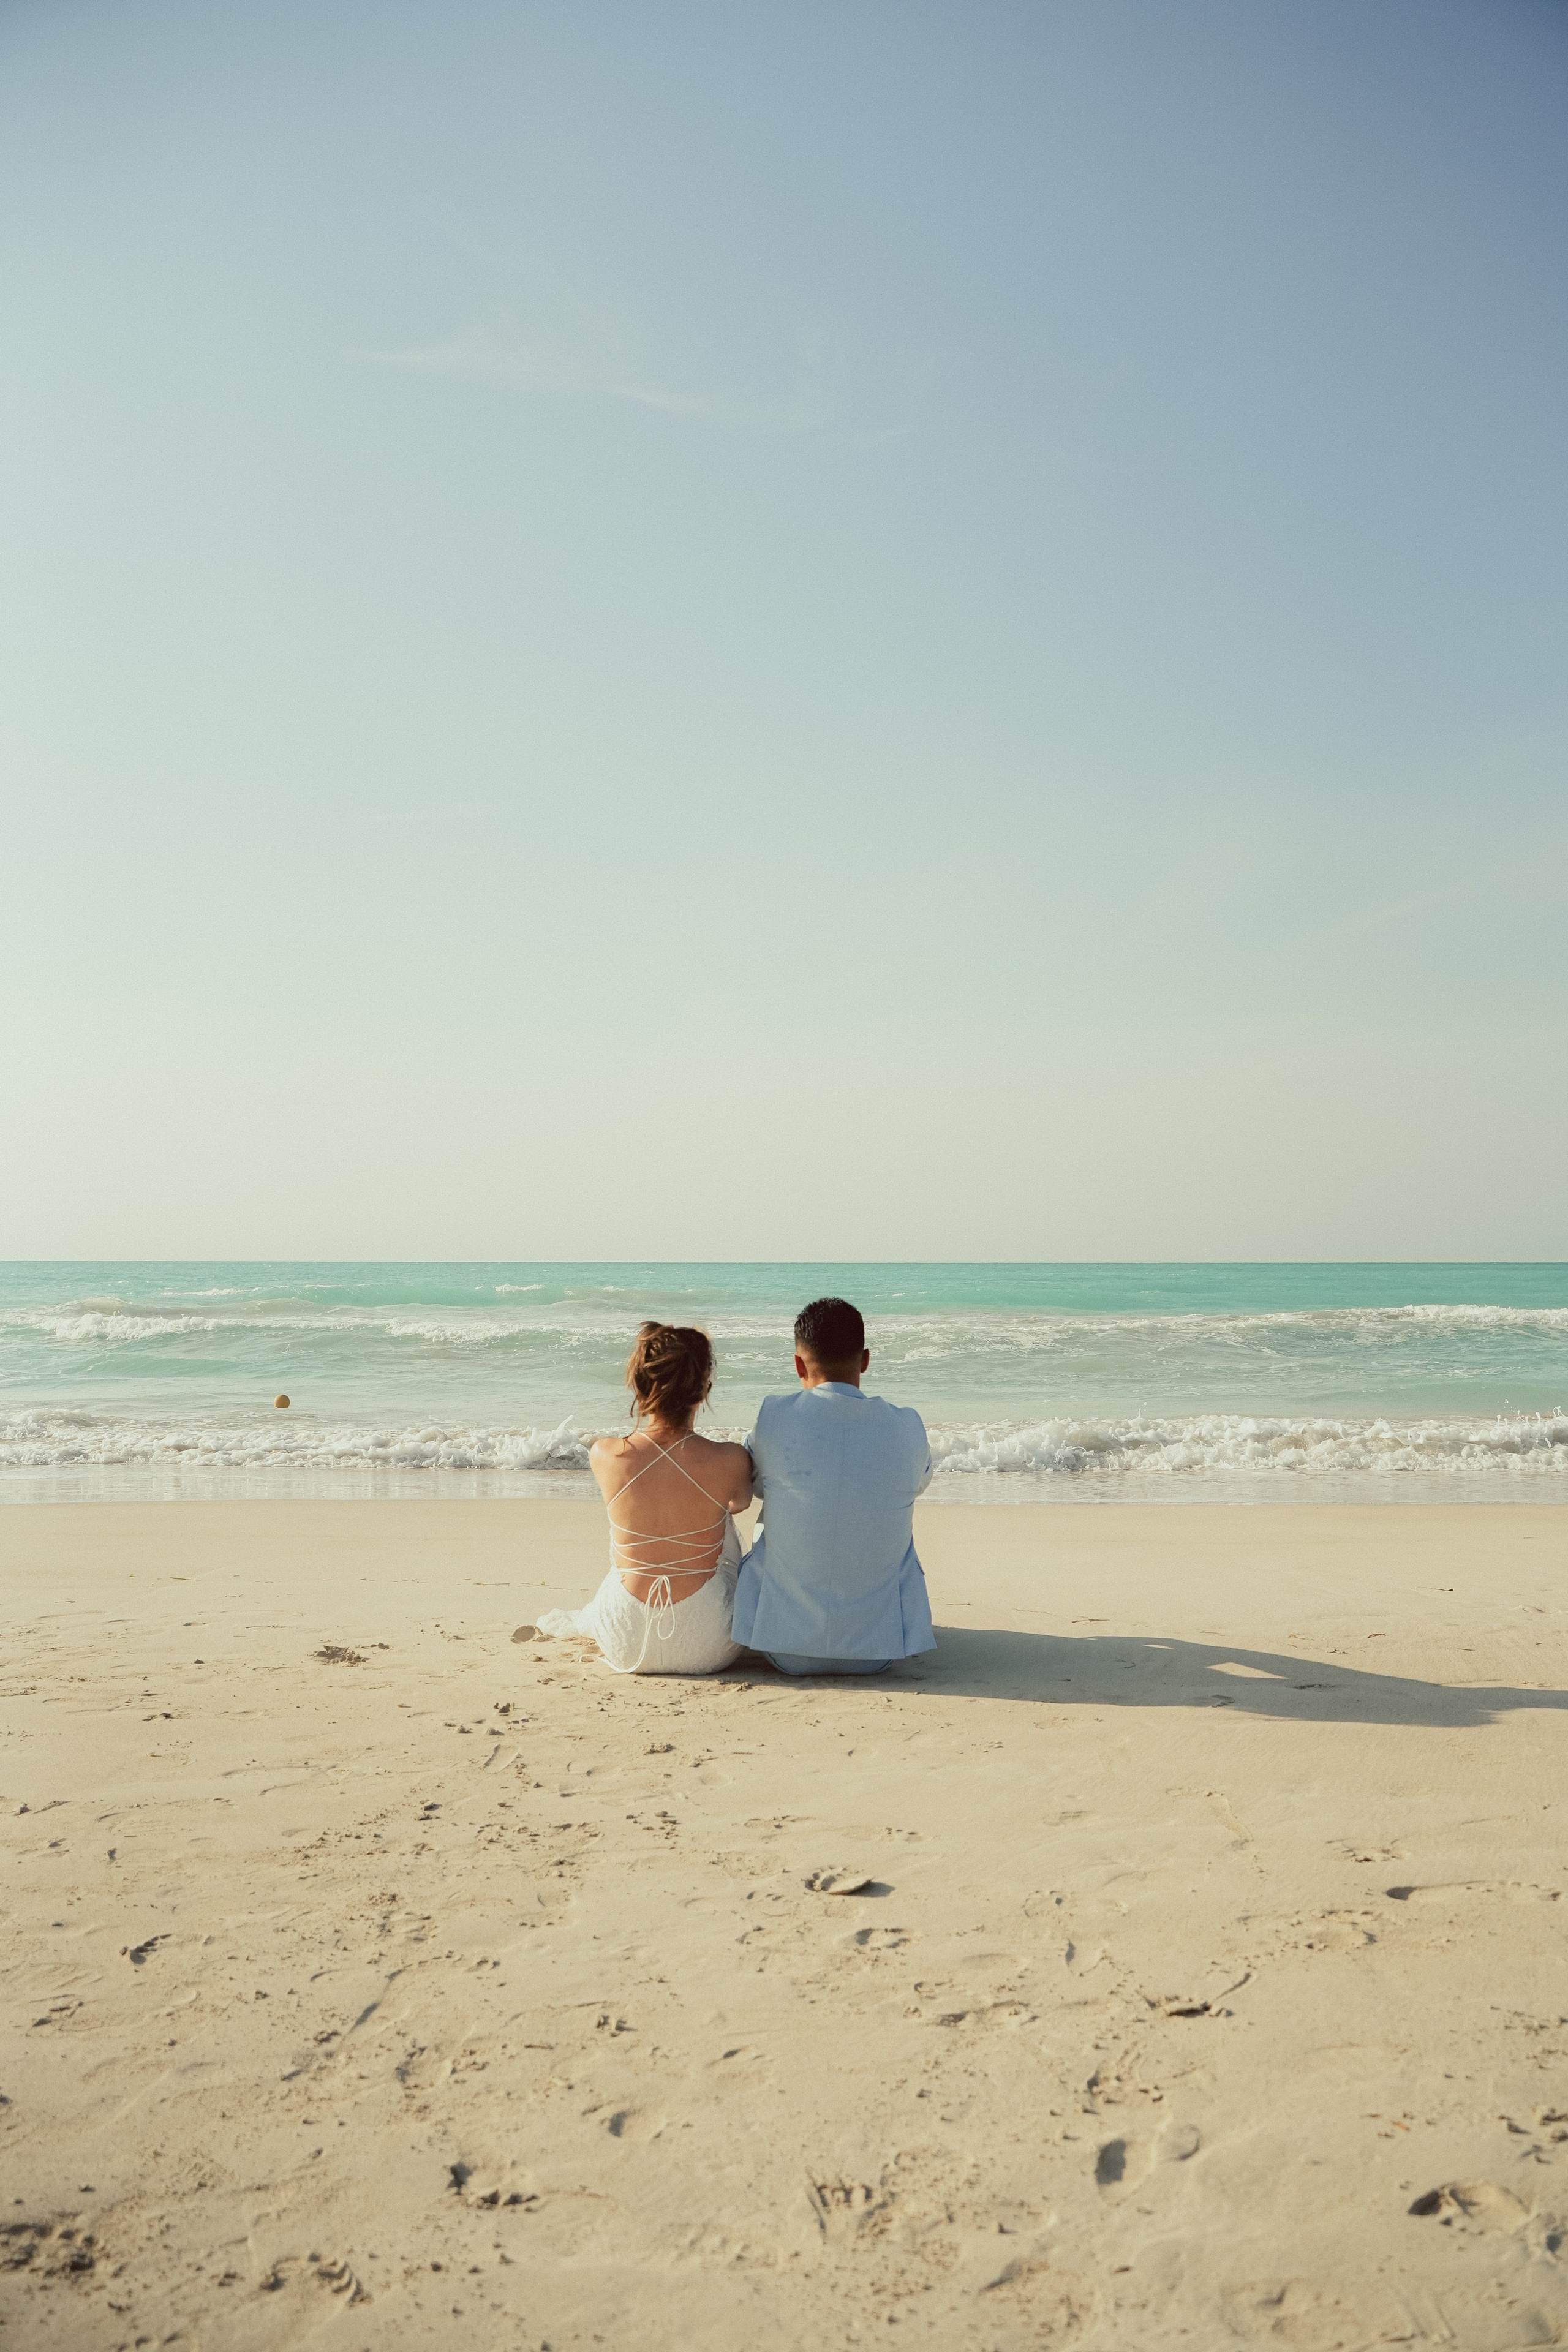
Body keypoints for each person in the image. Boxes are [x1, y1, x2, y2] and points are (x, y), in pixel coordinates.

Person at [535, 1322, 753, 1675]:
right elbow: (739, 1504)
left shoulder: (605, 1454)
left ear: (638, 1387)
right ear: (704, 1390)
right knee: (721, 1517)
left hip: (624, 1636)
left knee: (628, 1529)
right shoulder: (730, 1459)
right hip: (708, 1643)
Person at [733, 1296, 935, 1676]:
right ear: (865, 1360)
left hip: (781, 1646)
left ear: (798, 1364)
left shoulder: (773, 1415)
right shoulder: (908, 1425)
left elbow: (753, 1484)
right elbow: (918, 1483)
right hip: (880, 1650)